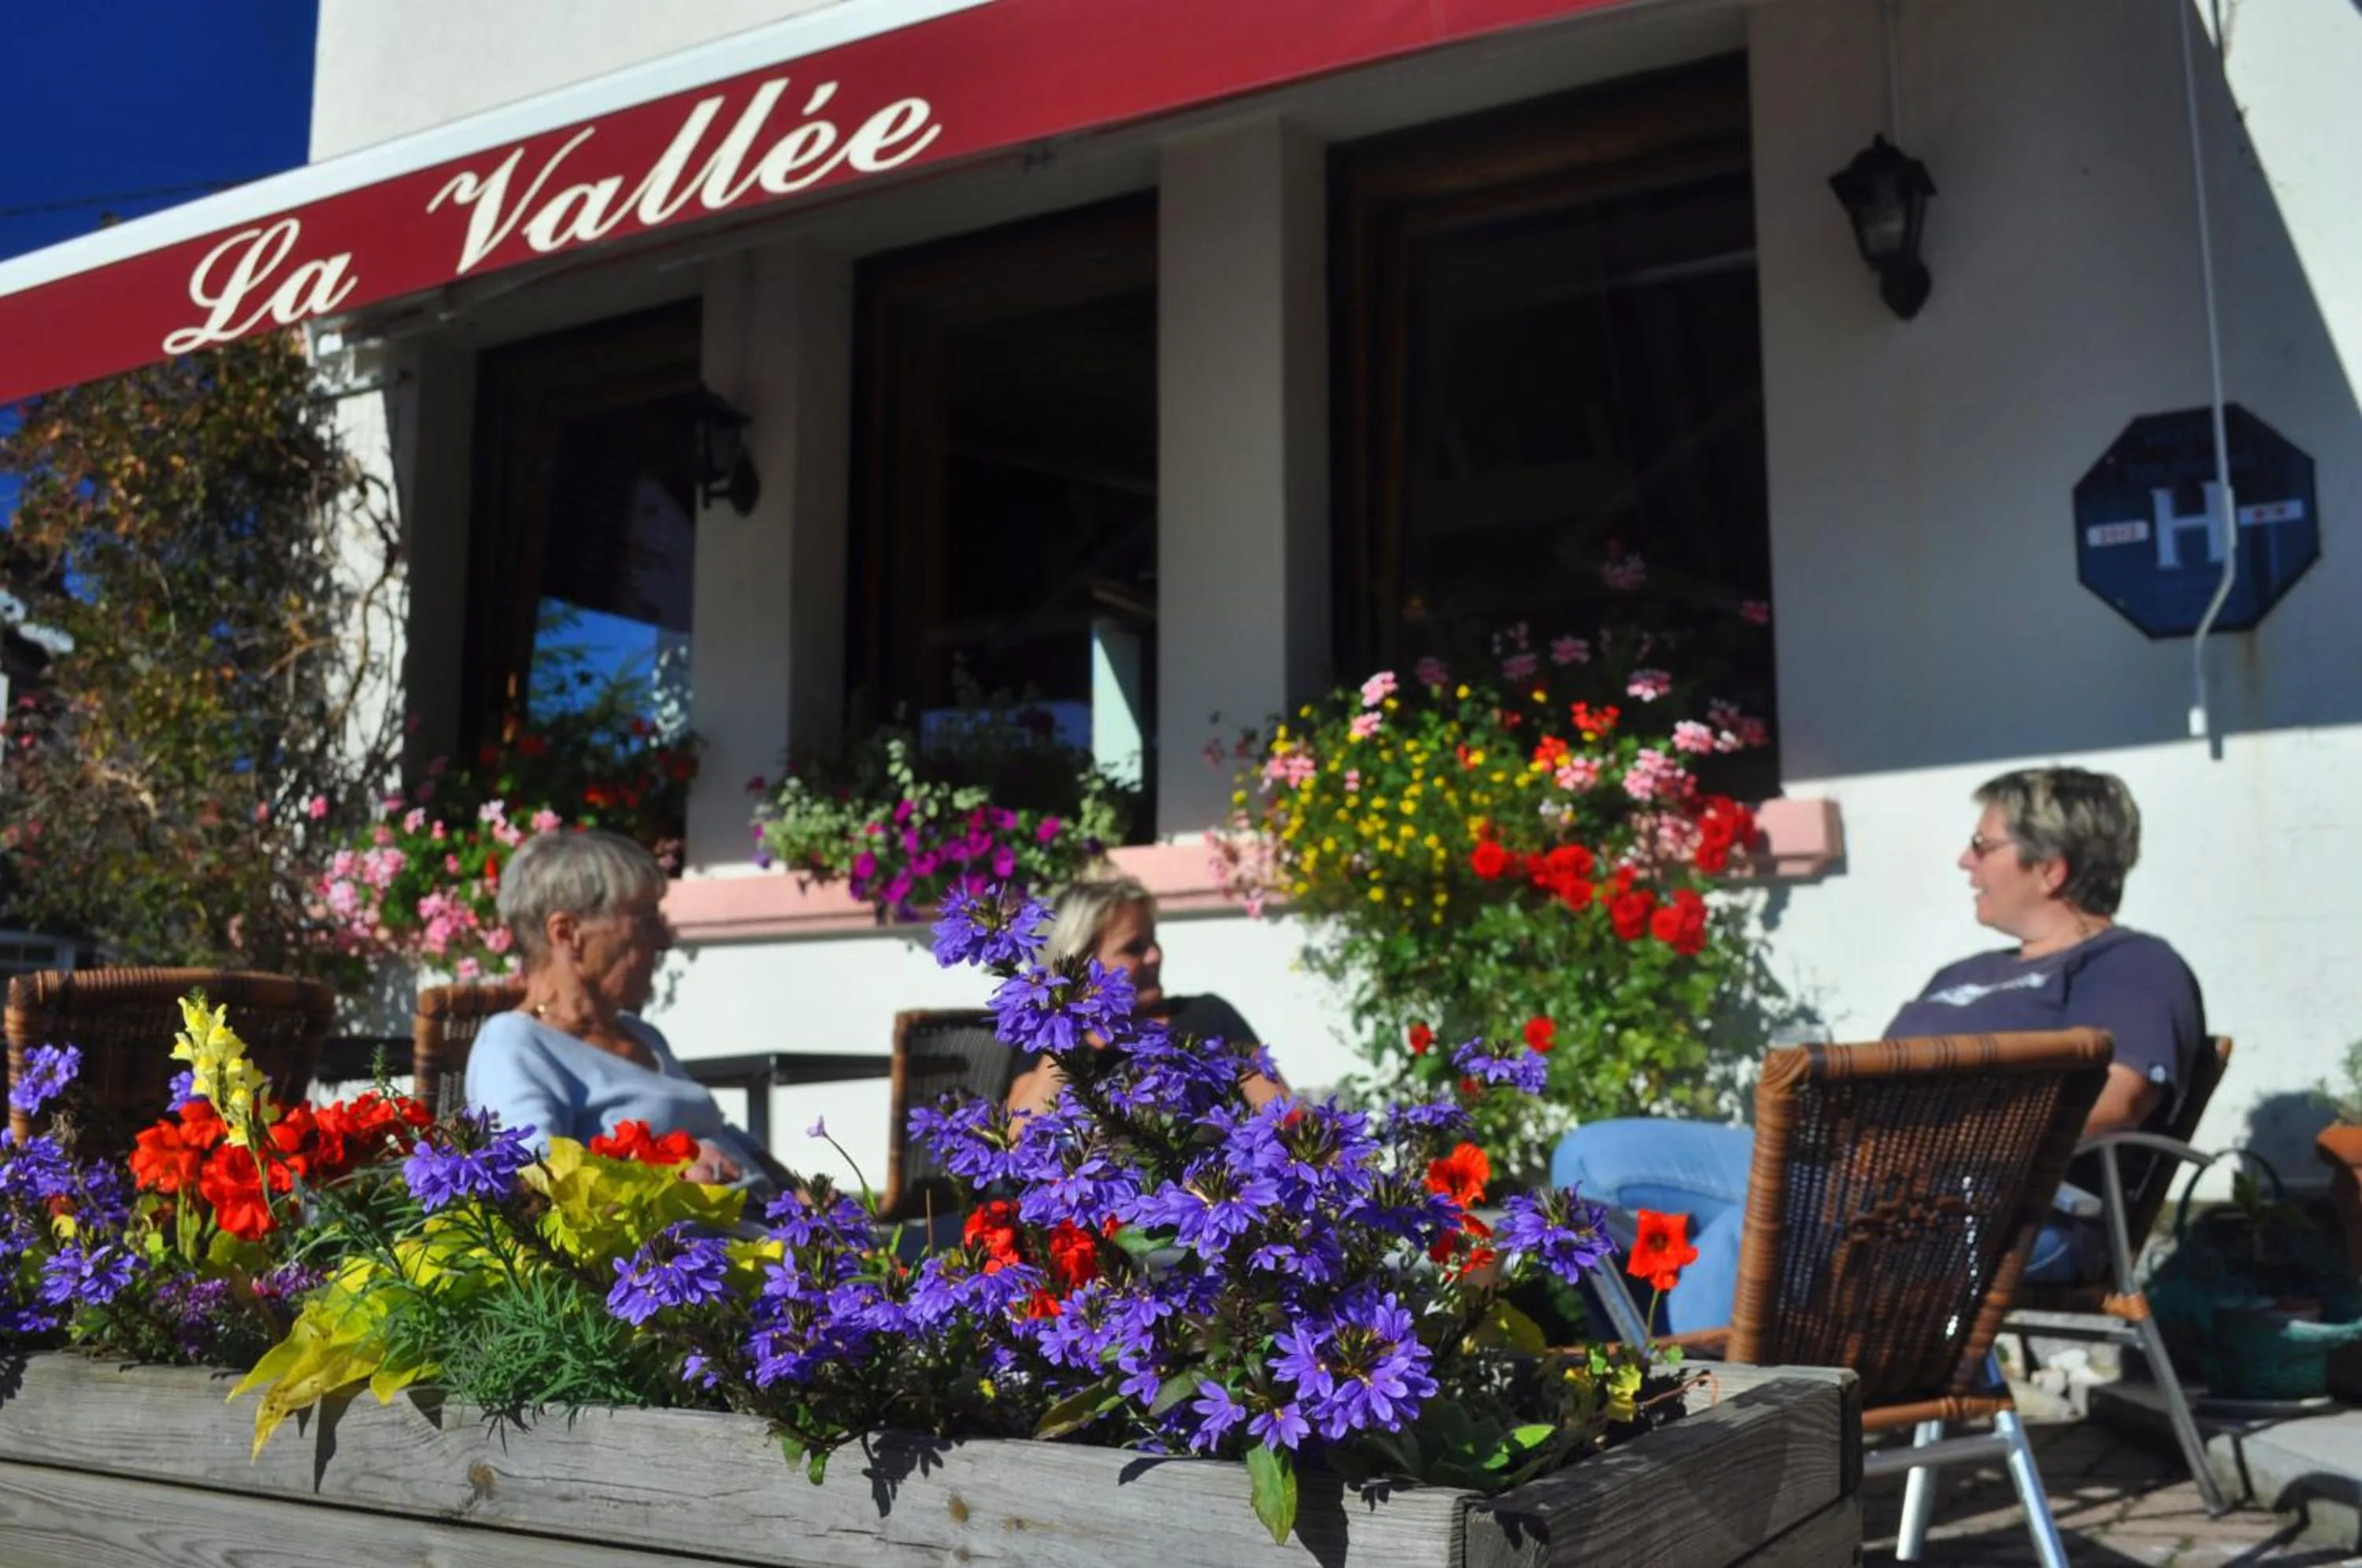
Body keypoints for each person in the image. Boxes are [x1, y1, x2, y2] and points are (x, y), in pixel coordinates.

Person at [1552, 766, 2205, 1333]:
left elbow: (2118, 1100)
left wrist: (1919, 1148)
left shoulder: (2131, 965)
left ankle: (1692, 1412)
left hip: (1999, 1203)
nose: (1964, 861)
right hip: (1849, 1160)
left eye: (1983, 843)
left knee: (1767, 1218)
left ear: (2050, 867)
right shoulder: (1965, 973)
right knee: (1589, 1158)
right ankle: (1640, 1355)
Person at [465, 828, 786, 1191]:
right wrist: (667, 1175)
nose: (664, 941)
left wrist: (799, 1191)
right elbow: (532, 1185)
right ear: (567, 933)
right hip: (683, 1244)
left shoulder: (639, 1034)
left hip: (766, 1226)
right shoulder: (515, 1044)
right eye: (644, 921)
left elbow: (715, 1132)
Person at [1005, 874, 1287, 1118]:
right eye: (1133, 947)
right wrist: (1070, 1032)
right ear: (1079, 962)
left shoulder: (1209, 1014)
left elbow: (1282, 1112)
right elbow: (1019, 1136)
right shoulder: (1048, 1040)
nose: (1154, 955)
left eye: (1153, 939)